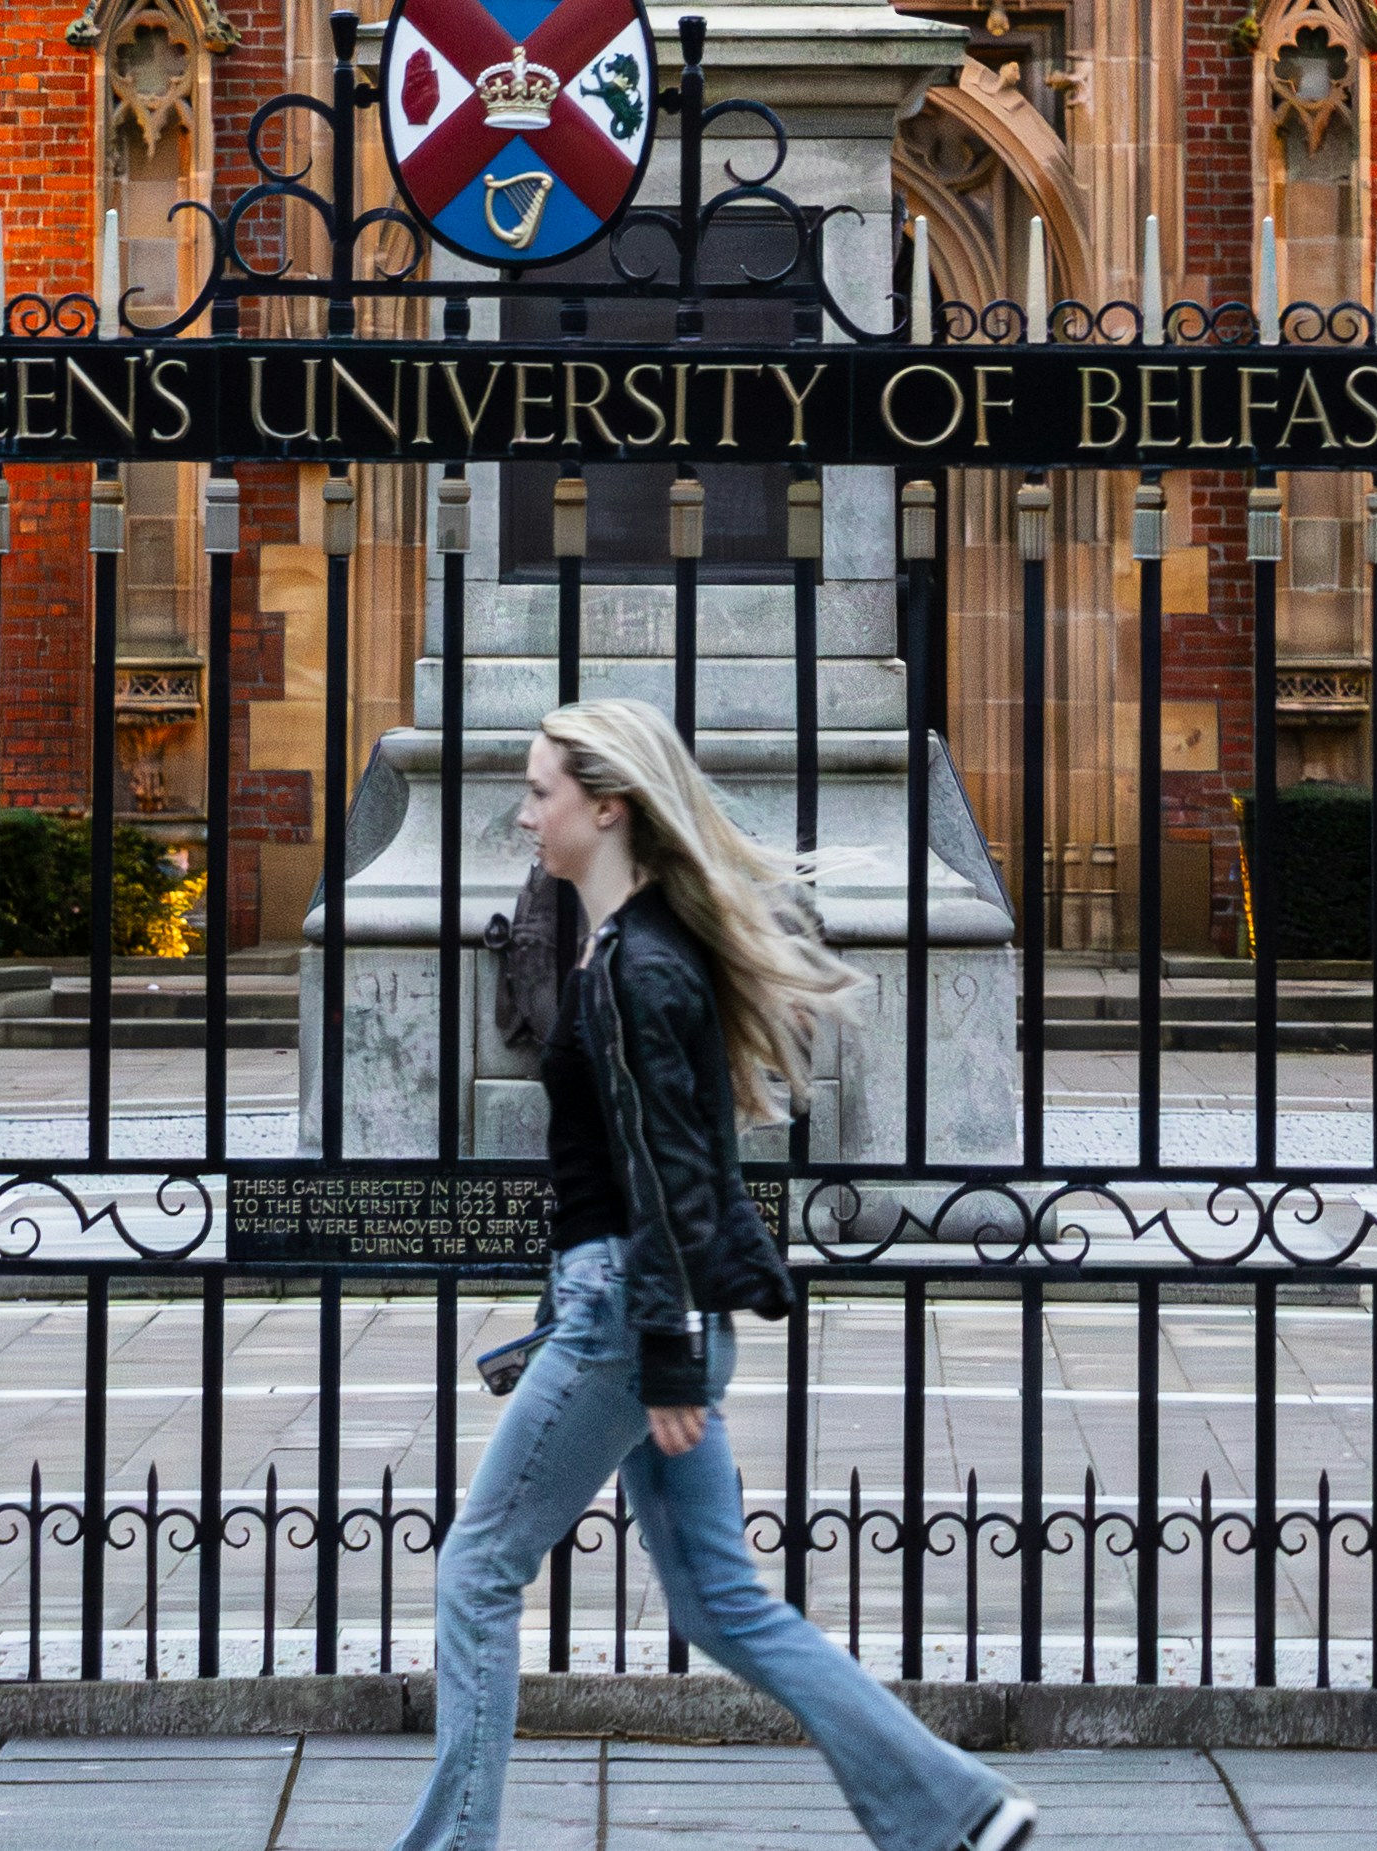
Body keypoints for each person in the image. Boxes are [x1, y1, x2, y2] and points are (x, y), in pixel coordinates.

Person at [389, 697, 1034, 1851]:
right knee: (720, 1603)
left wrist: (668, 1353)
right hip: (637, 1314)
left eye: (540, 790)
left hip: (627, 1318)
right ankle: (957, 1808)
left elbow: (672, 1175)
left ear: (607, 803)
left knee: (477, 1570)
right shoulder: (627, 944)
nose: (523, 811)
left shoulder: (638, 963)